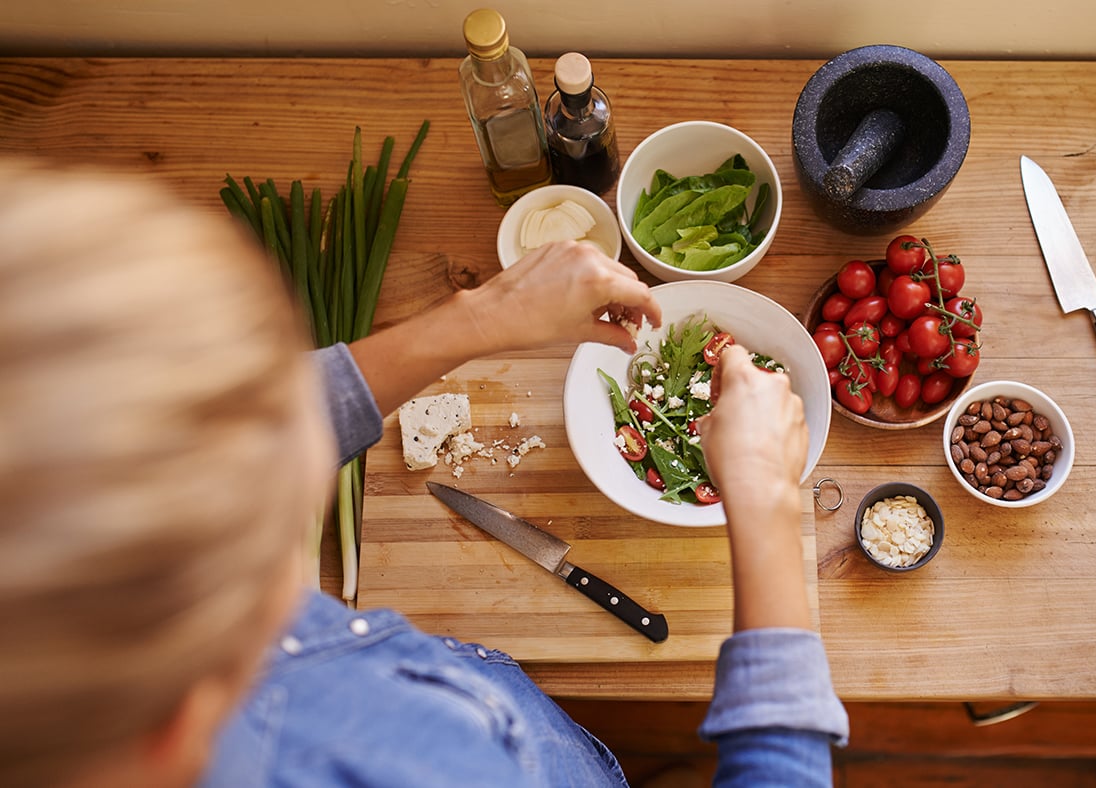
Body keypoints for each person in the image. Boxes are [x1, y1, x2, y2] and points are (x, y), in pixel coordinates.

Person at [0, 160, 848, 788]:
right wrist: (768, 507)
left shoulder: (109, 624)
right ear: (177, 723)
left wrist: (474, 319)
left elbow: (215, 445)